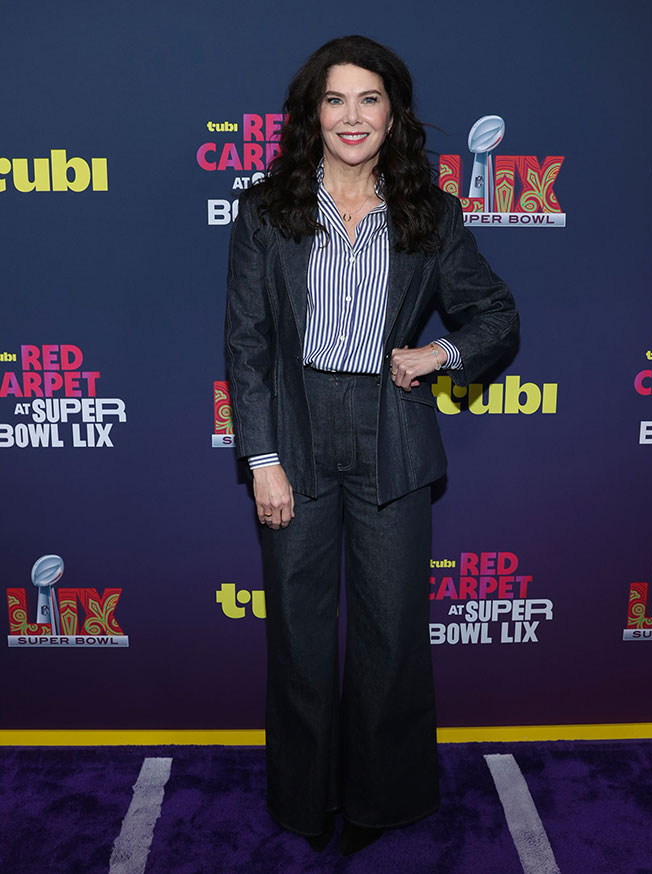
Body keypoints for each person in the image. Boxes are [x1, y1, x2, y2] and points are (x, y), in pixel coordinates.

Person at [225, 34, 518, 856]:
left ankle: (379, 801)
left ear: (394, 115)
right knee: (301, 635)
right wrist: (262, 459)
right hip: (296, 431)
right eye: (335, 99)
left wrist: (441, 353)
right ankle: (303, 798)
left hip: (392, 429)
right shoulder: (265, 211)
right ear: (311, 112)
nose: (351, 116)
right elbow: (246, 346)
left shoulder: (430, 214)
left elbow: (495, 315)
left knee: (390, 636)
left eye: (369, 99)